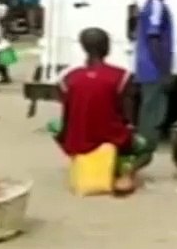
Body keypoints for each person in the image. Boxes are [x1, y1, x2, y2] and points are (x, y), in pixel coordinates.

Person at [55, 28, 156, 194]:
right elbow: (127, 116)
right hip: (111, 137)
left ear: (83, 48)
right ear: (107, 48)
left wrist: (64, 137)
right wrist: (130, 131)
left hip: (78, 140)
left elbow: (67, 113)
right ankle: (126, 174)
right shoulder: (121, 76)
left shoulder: (67, 78)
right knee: (146, 149)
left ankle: (78, 161)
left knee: (53, 126)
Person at [134, 0, 177, 143]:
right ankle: (145, 144)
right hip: (153, 68)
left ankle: (145, 141)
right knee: (152, 110)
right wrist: (165, 70)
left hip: (147, 66)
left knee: (149, 107)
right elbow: (154, 39)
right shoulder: (157, 6)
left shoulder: (150, 4)